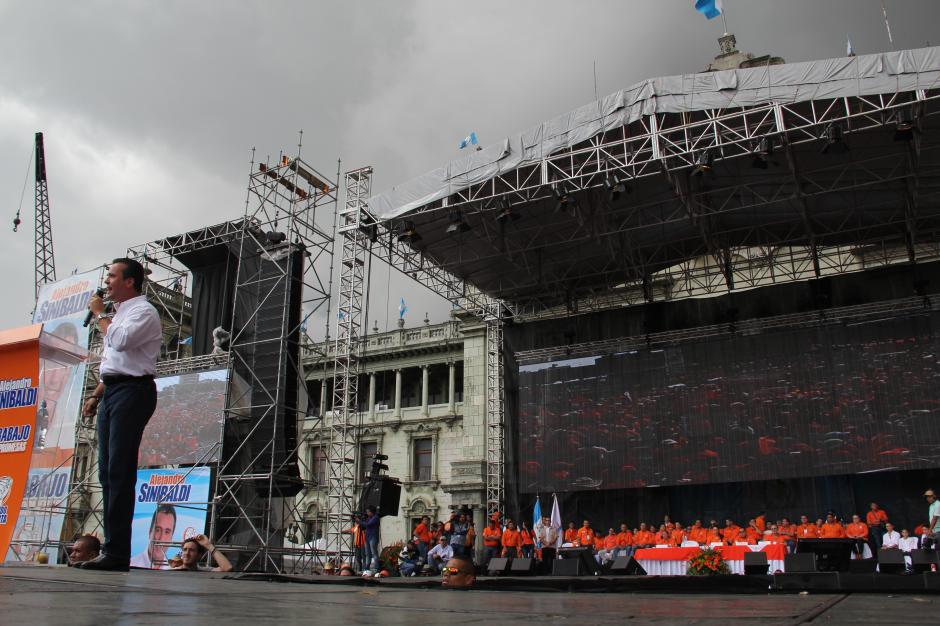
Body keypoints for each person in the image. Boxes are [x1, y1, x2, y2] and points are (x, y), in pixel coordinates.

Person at [77, 258, 161, 571]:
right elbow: (114, 364)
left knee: (119, 471)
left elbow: (121, 342)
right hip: (113, 391)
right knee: (106, 472)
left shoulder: (143, 311)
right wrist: (96, 395)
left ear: (129, 281)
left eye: (112, 276)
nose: (106, 281)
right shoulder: (119, 315)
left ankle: (117, 553)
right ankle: (111, 549)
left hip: (133, 391)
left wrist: (100, 314)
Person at [130, 504, 176, 569]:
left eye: (167, 532)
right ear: (150, 532)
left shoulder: (173, 570)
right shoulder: (131, 564)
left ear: (171, 538)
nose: (161, 539)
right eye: (157, 530)